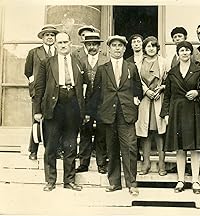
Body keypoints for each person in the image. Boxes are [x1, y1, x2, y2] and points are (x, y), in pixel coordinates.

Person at [33, 32, 87, 192]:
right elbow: (39, 87)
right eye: (60, 43)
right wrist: (37, 111)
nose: (63, 45)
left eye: (66, 42)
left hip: (72, 107)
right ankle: (50, 181)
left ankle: (69, 181)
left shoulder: (78, 63)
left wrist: (83, 111)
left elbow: (84, 88)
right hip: (53, 107)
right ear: (55, 45)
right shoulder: (46, 63)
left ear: (71, 43)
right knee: (51, 146)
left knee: (70, 146)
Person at [92, 35, 143, 196]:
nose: (117, 48)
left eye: (120, 45)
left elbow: (138, 89)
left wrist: (135, 102)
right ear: (109, 48)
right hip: (108, 114)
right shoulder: (102, 69)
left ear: (124, 48)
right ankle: (114, 183)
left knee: (130, 148)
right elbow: (96, 93)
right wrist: (96, 114)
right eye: (114, 45)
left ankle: (132, 183)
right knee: (112, 149)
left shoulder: (131, 67)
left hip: (126, 114)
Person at [160, 41, 200, 194]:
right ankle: (180, 180)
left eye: (187, 50)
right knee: (180, 148)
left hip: (194, 111)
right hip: (177, 112)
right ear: (177, 53)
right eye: (182, 50)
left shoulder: (198, 70)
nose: (185, 53)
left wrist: (197, 93)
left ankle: (195, 181)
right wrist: (166, 114)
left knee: (194, 148)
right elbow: (167, 95)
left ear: (191, 52)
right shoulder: (172, 72)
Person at [75, 32, 109, 174]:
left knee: (102, 133)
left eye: (95, 44)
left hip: (102, 102)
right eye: (89, 44)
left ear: (99, 46)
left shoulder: (106, 60)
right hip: (85, 103)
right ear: (85, 45)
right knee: (85, 132)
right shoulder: (79, 60)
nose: (92, 47)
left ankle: (101, 163)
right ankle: (84, 163)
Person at [24, 24, 59, 160]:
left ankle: (55, 150)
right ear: (42, 38)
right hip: (39, 92)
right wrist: (33, 85)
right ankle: (33, 150)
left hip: (54, 92)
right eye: (47, 35)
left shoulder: (58, 52)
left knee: (54, 121)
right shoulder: (34, 52)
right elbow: (28, 71)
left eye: (52, 35)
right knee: (36, 120)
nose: (50, 37)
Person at [135, 36, 168, 176]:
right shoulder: (138, 63)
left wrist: (161, 88)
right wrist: (146, 91)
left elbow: (169, 79)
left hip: (159, 99)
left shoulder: (164, 62)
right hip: (145, 99)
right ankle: (146, 163)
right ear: (144, 48)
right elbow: (137, 80)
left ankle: (162, 164)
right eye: (148, 46)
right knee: (145, 132)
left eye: (153, 46)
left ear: (157, 48)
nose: (151, 48)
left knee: (159, 132)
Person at [126, 33, 144, 162]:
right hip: (133, 96)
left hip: (149, 95)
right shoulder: (128, 61)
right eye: (134, 42)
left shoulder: (149, 58)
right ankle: (136, 152)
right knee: (135, 123)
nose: (136, 44)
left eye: (138, 41)